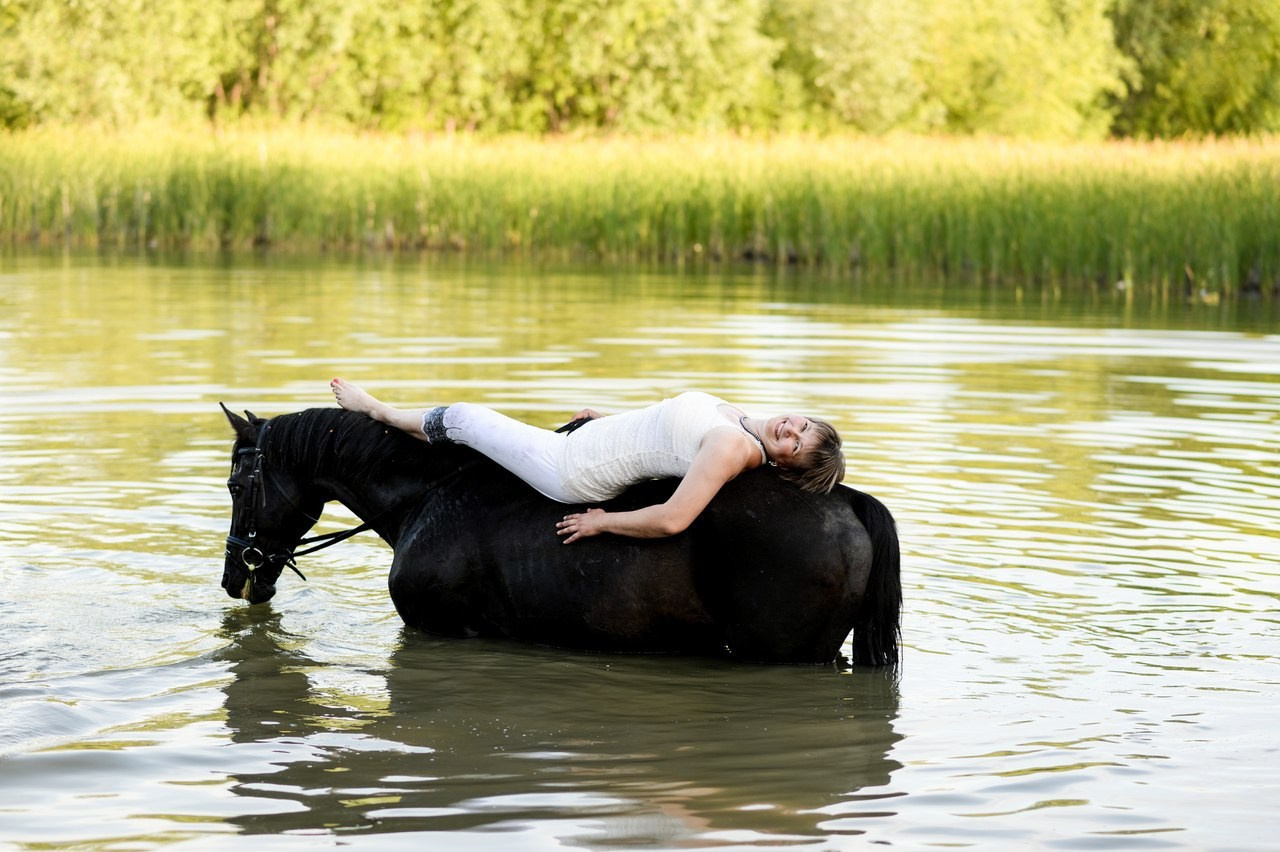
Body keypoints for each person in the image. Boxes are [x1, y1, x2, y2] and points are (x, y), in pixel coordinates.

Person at [329, 378, 844, 544]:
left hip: (570, 467)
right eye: (802, 426)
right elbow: (664, 433)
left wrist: (603, 522)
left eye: (795, 447)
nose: (791, 432)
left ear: (780, 465)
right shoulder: (743, 421)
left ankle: (379, 411)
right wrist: (607, 419)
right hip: (594, 438)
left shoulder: (736, 448)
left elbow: (673, 518)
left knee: (466, 418)